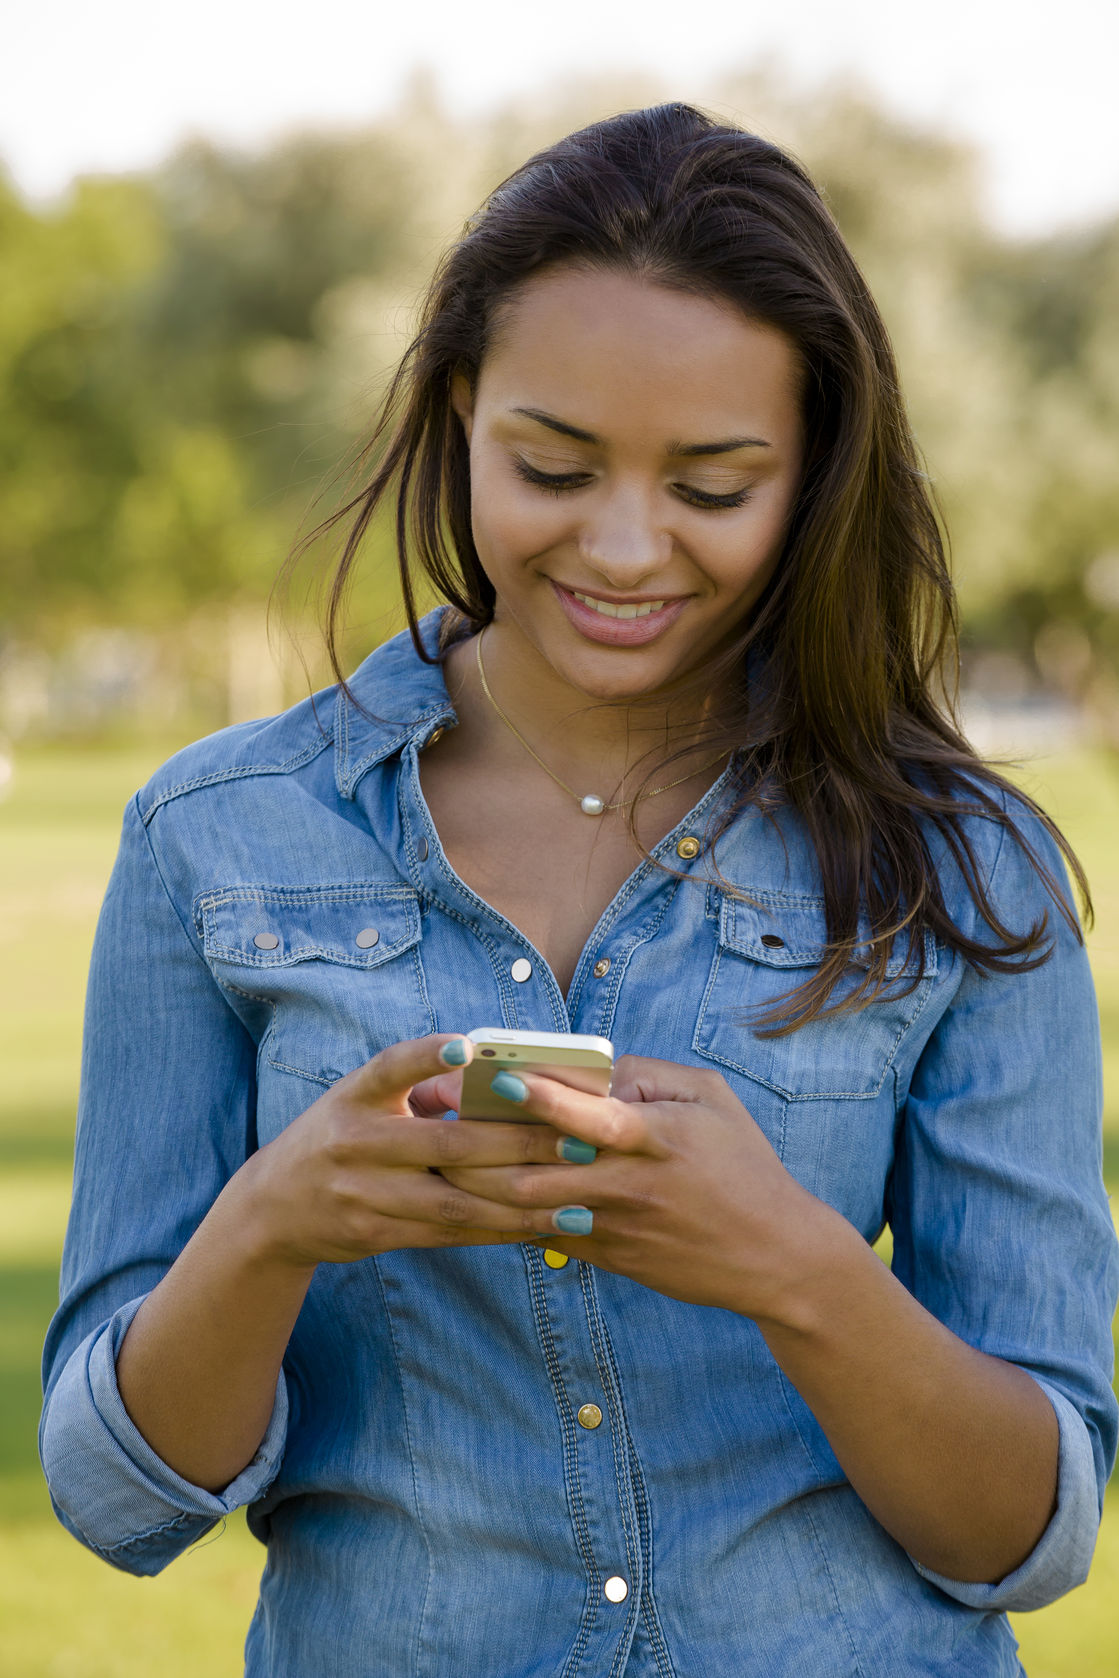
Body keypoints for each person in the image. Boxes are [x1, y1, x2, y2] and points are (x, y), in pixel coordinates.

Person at [40, 103, 1117, 1676]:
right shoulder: (218, 834)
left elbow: (1036, 1530)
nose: (625, 546)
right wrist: (271, 1225)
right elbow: (110, 1497)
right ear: (463, 411)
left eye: (713, 483)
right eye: (553, 465)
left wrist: (795, 1265)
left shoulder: (958, 867)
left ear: (814, 468)